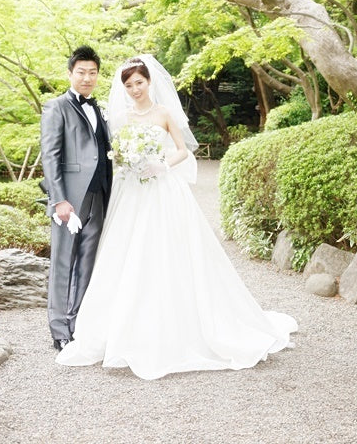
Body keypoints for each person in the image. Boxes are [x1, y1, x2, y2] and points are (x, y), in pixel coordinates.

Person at [56, 55, 297, 379]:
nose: (135, 89)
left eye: (139, 83)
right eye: (129, 85)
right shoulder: (121, 118)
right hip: (133, 193)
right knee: (129, 254)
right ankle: (125, 329)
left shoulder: (165, 113)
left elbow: (183, 150)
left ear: (149, 82)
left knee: (172, 251)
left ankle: (181, 326)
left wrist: (161, 164)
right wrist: (129, 162)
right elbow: (115, 155)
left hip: (163, 188)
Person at [40, 46, 112, 352]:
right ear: (70, 73)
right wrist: (59, 200)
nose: (87, 78)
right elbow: (50, 156)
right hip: (69, 199)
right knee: (62, 262)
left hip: (99, 195)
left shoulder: (100, 109)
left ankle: (78, 323)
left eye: (92, 73)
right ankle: (59, 330)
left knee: (87, 262)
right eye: (81, 72)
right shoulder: (56, 107)